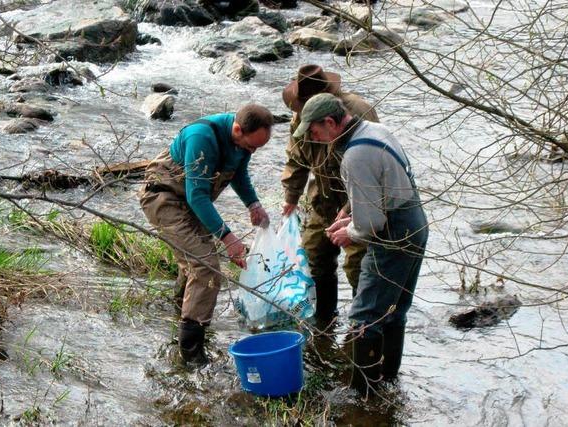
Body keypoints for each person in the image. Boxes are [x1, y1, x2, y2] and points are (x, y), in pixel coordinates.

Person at [293, 93, 428, 395]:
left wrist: (348, 233)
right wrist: (347, 214)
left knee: (364, 317)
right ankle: (388, 380)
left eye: (315, 132)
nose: (315, 139)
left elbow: (371, 224)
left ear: (330, 122)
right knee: (394, 309)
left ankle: (362, 395)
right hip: (415, 225)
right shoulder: (374, 130)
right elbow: (381, 189)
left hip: (393, 237)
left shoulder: (355, 155)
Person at [139, 104, 273, 365]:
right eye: (251, 146)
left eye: (258, 148)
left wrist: (253, 204)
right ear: (237, 129)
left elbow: (239, 173)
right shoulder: (201, 137)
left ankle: (181, 315)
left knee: (196, 260)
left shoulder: (242, 142)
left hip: (190, 199)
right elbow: (197, 195)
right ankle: (190, 353)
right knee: (206, 267)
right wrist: (228, 237)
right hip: (163, 197)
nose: (252, 152)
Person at [281, 64, 379, 321]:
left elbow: (373, 167)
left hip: (358, 200)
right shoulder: (300, 118)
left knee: (358, 264)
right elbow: (296, 160)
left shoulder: (358, 112)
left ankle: (366, 322)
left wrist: (352, 210)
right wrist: (291, 198)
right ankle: (325, 319)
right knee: (315, 255)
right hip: (322, 199)